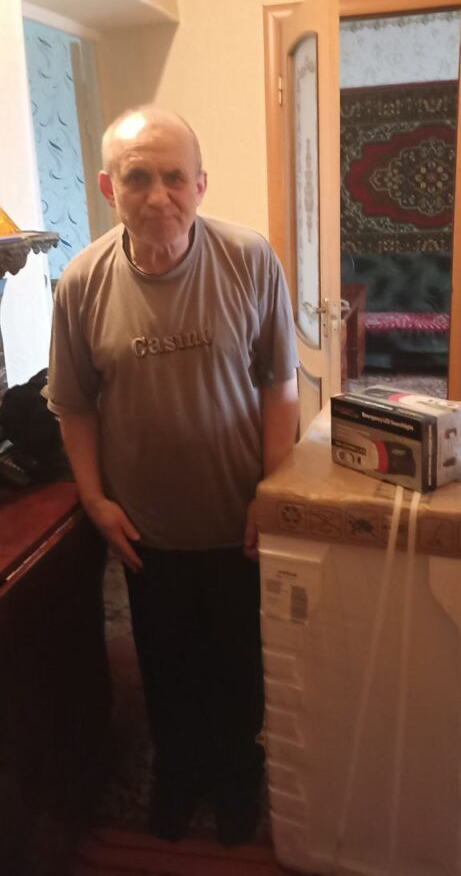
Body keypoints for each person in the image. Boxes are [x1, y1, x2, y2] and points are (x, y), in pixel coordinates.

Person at [48, 106, 299, 845]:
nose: (158, 195)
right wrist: (94, 499)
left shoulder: (249, 258)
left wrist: (271, 495)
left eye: (174, 178)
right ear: (108, 188)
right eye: (137, 178)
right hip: (144, 532)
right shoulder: (81, 283)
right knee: (165, 666)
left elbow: (278, 386)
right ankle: (178, 776)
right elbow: (73, 405)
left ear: (200, 184)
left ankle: (238, 780)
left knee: (239, 665)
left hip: (236, 523)